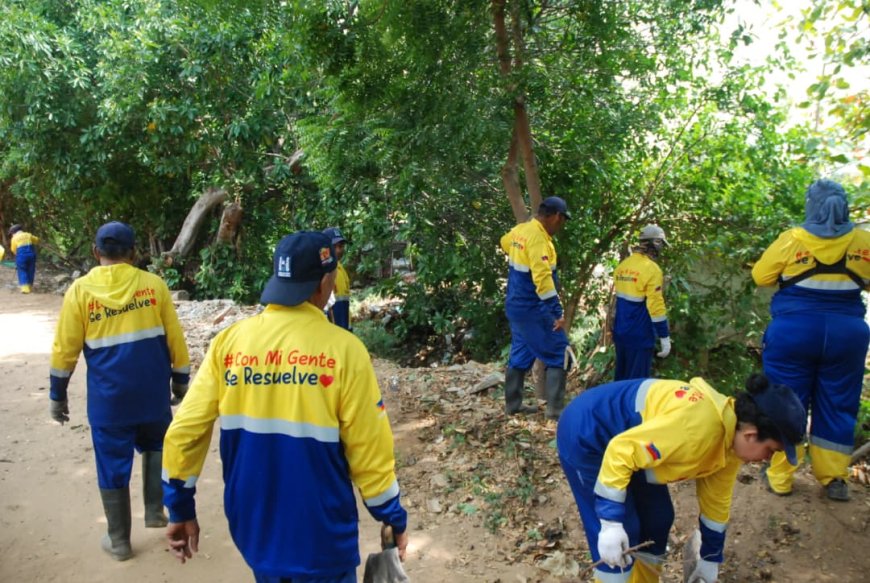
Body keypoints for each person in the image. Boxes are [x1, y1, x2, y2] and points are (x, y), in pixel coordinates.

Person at [162, 231, 409, 582]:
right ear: (325, 283)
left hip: (254, 527)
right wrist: (392, 516)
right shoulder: (344, 350)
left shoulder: (229, 343)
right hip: (321, 534)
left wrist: (180, 506)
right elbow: (370, 451)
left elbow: (185, 431)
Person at [557, 373, 806, 583]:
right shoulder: (697, 428)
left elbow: (716, 504)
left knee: (659, 519)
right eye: (771, 451)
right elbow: (621, 451)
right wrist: (610, 523)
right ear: (751, 434)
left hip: (632, 449)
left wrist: (710, 557)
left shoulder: (729, 445)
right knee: (622, 536)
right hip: (589, 434)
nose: (767, 459)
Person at [48, 221, 191, 561]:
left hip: (109, 403)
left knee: (112, 465)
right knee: (157, 444)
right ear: (134, 253)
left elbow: (64, 350)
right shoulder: (153, 286)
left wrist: (57, 395)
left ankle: (119, 541)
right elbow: (176, 340)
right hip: (152, 396)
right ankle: (156, 510)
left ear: (96, 252)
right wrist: (180, 380)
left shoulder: (80, 292)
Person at [752, 178, 870, 502]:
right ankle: (834, 478)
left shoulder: (792, 240)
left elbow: (760, 277)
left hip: (794, 334)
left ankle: (780, 476)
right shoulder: (863, 241)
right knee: (838, 404)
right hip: (847, 336)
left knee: (785, 400)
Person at [500, 196, 571, 420]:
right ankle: (555, 411)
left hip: (515, 304)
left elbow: (504, 241)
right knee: (560, 351)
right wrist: (557, 314)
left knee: (521, 353)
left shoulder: (521, 230)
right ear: (556, 217)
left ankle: (513, 405)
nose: (561, 226)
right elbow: (542, 280)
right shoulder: (538, 239)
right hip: (533, 308)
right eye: (562, 221)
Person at [611, 224, 671, 381]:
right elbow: (656, 306)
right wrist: (664, 337)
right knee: (636, 385)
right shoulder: (652, 269)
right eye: (661, 245)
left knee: (621, 381)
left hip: (620, 333)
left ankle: (616, 406)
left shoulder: (622, 266)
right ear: (655, 243)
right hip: (640, 336)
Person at [323, 226, 352, 330]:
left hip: (344, 328)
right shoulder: (323, 272)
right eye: (334, 247)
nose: (339, 250)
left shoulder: (341, 270)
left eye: (341, 246)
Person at [8, 224, 39, 293]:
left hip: (21, 256)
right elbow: (36, 240)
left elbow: (13, 249)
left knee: (22, 270)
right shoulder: (28, 235)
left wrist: (17, 255)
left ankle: (25, 289)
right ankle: (30, 286)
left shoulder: (14, 238)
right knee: (31, 270)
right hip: (31, 255)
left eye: (12, 233)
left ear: (14, 232)